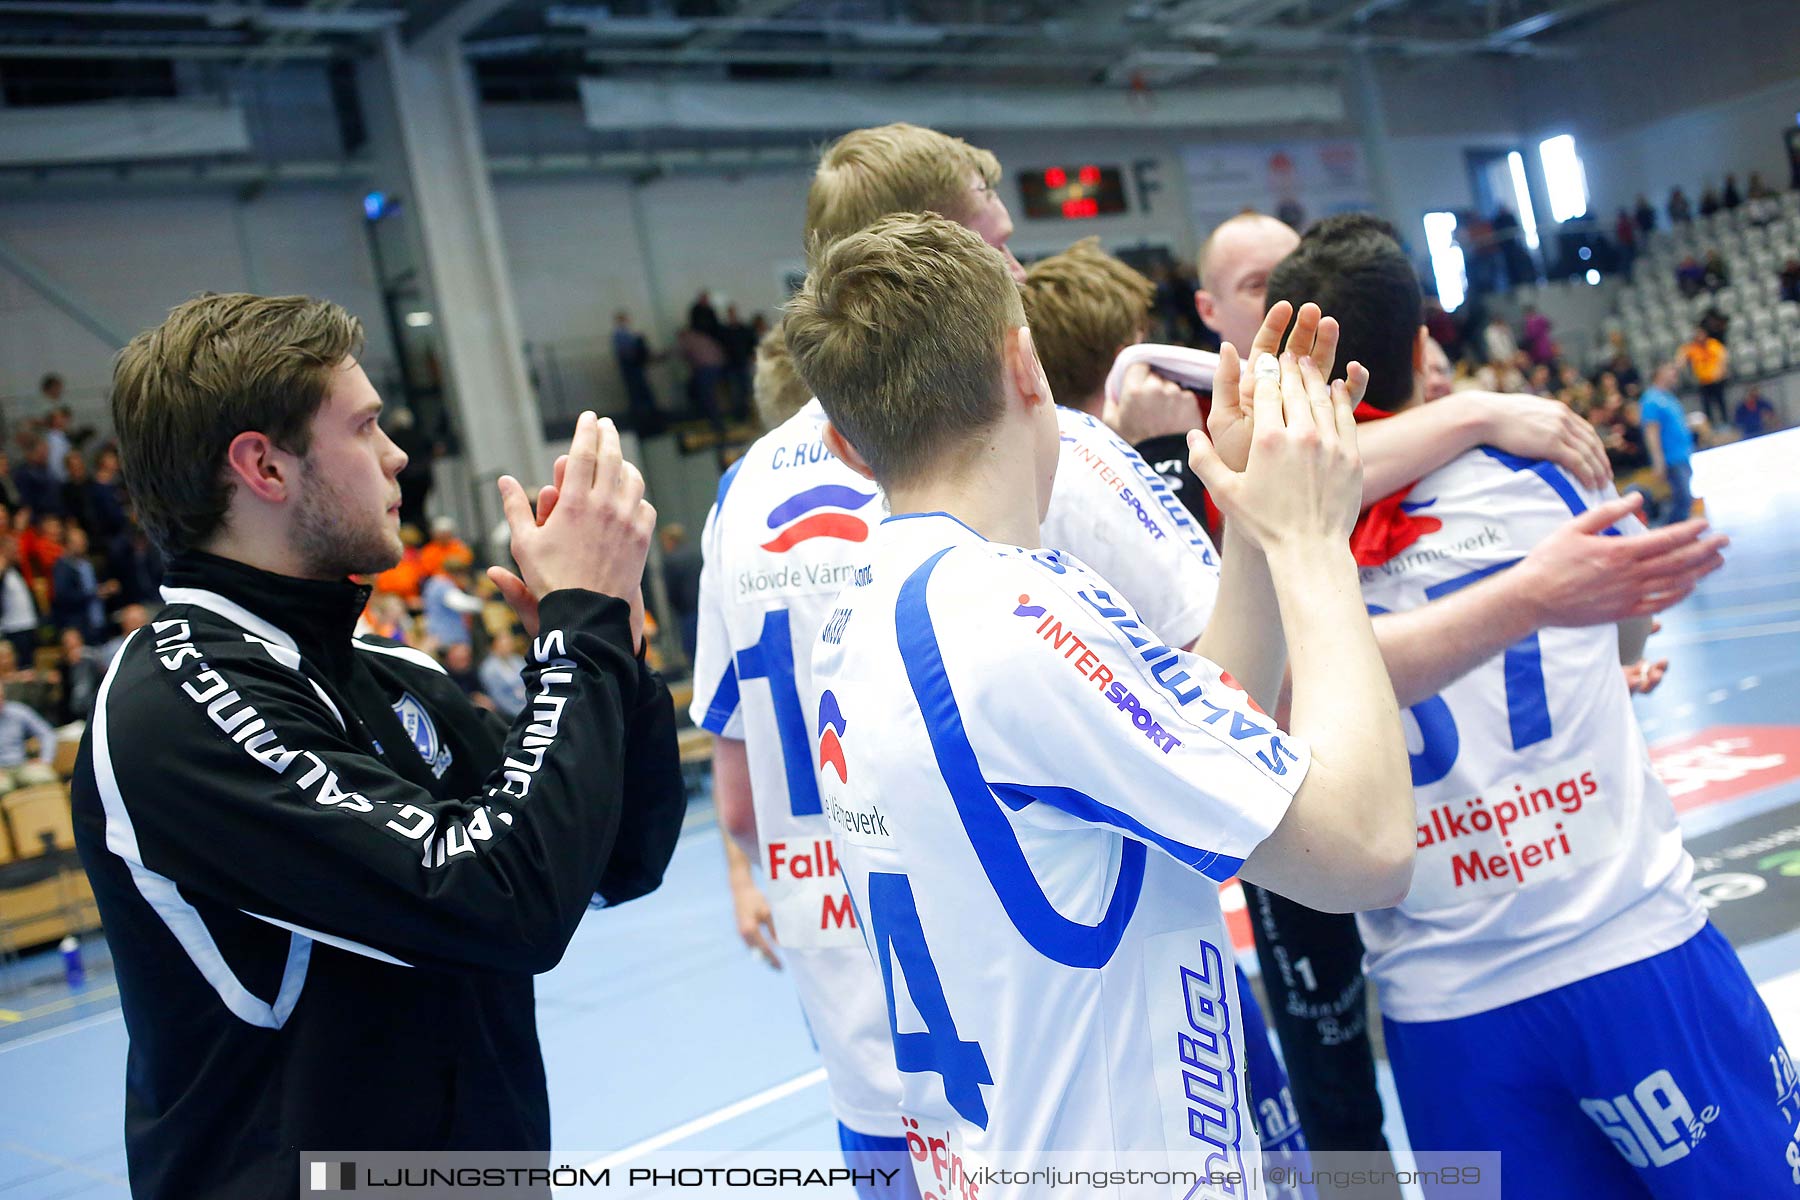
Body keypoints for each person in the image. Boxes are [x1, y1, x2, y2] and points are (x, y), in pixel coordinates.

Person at [788, 210, 1415, 1196]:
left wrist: (1251, 529)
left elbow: (1207, 737)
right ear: (1024, 365)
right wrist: (1312, 543)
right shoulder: (1010, 612)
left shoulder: (868, 614)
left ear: (852, 438)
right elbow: (1367, 848)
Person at [72, 292, 686, 1200]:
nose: (400, 454)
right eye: (364, 428)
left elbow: (617, 857)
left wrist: (613, 655)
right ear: (264, 468)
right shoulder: (175, 704)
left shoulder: (392, 676)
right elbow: (496, 903)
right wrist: (577, 639)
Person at [1270, 210, 1794, 1200]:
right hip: (1626, 943)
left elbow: (1283, 698)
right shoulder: (1533, 466)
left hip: (1446, 1005)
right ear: (1426, 345)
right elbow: (1627, 626)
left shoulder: (1287, 546)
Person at [1641, 362, 1697, 524]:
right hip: (1671, 458)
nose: (1674, 373)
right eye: (1670, 369)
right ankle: (1669, 534)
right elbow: (1652, 432)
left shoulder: (1669, 397)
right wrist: (1658, 462)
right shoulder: (1651, 400)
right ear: (1659, 373)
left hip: (1682, 454)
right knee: (1682, 499)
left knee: (1685, 499)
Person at [50, 525, 111, 644]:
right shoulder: (62, 567)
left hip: (98, 621)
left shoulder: (88, 564)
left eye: (84, 540)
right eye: (77, 542)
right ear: (68, 544)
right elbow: (63, 596)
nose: (82, 544)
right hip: (78, 623)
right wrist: (93, 594)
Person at [611, 310, 661, 434]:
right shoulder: (620, 334)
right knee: (638, 393)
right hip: (631, 367)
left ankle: (650, 418)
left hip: (633, 367)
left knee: (641, 393)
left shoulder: (625, 334)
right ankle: (646, 420)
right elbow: (626, 352)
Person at [0, 687, 57, 794]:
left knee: (44, 778)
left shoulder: (18, 711)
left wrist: (45, 759)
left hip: (21, 764)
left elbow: (47, 734)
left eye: (1, 697)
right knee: (2, 788)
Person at [1678, 326, 1729, 427]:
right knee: (1707, 406)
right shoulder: (1693, 348)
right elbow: (1681, 357)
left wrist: (1721, 371)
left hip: (1716, 380)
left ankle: (1725, 422)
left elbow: (1723, 356)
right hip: (1703, 381)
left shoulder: (1713, 344)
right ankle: (1711, 425)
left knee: (1721, 403)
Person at [56, 625, 105, 724]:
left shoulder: (92, 658)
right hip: (72, 712)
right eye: (68, 642)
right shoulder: (62, 666)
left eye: (75, 640)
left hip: (95, 704)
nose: (72, 645)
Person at [477, 627, 527, 719]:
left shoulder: (517, 659)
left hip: (528, 703)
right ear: (495, 644)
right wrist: (522, 713)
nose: (509, 643)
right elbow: (499, 699)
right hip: (510, 713)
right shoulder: (489, 669)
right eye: (504, 640)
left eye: (510, 639)